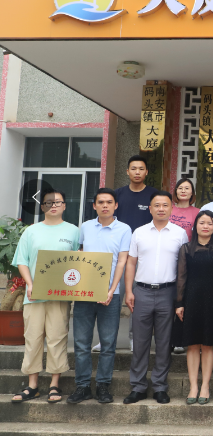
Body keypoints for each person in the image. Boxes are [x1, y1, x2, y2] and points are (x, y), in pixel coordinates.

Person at [11, 189, 80, 404]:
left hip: (60, 295)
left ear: (65, 206)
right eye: (49, 202)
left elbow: (77, 262)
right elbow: (22, 261)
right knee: (32, 338)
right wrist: (30, 285)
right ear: (42, 206)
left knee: (57, 337)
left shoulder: (73, 231)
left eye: (58, 202)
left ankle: (54, 384)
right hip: (34, 294)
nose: (54, 205)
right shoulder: (31, 231)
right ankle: (32, 386)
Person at [123, 191, 188, 405]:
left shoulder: (180, 234)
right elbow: (131, 263)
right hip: (141, 291)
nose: (161, 209)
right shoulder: (139, 232)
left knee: (164, 341)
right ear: (150, 209)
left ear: (171, 208)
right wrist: (129, 291)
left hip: (168, 292)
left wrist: (180, 298)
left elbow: (183, 268)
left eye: (165, 205)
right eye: (157, 205)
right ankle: (138, 386)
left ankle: (160, 386)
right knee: (140, 342)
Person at [68, 188, 131, 405]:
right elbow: (79, 256)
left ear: (116, 205)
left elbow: (122, 262)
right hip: (84, 293)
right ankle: (83, 386)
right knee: (81, 343)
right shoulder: (85, 227)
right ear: (94, 206)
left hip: (110, 295)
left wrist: (112, 290)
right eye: (101, 202)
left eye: (109, 202)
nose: (105, 205)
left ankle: (103, 385)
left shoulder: (124, 229)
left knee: (108, 343)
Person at [174, 210, 213, 405]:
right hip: (191, 299)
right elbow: (181, 277)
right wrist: (179, 303)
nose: (205, 226)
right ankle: (193, 386)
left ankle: (205, 386)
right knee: (192, 344)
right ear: (195, 225)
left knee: (208, 344)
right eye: (202, 222)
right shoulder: (186, 248)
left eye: (210, 223)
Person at [113, 155, 158, 353]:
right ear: (127, 171)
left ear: (146, 172)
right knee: (114, 297)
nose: (137, 172)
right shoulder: (118, 194)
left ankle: (134, 338)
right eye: (133, 168)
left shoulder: (154, 195)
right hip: (120, 256)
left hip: (143, 256)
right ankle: (108, 338)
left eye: (141, 169)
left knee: (136, 300)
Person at [169, 178, 201, 355]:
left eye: (187, 188)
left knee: (183, 299)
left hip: (188, 259)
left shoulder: (198, 212)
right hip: (167, 258)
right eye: (180, 187)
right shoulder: (168, 208)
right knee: (169, 300)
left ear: (192, 193)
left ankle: (182, 339)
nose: (183, 191)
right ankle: (169, 339)